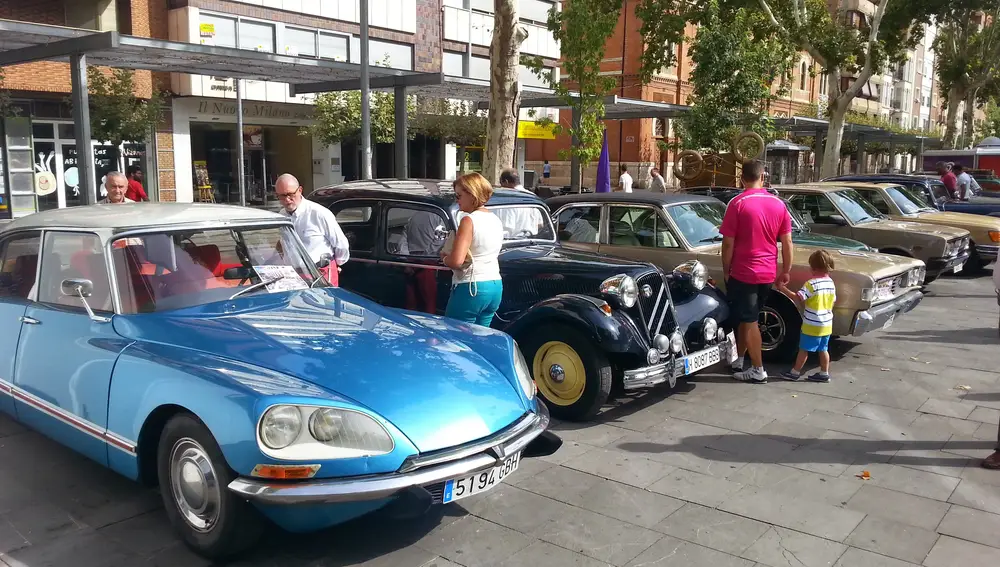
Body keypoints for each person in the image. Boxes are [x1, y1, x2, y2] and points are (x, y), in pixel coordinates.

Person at [720, 159, 794, 384]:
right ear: (764, 177)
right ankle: (740, 358)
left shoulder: (737, 204)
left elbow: (727, 244)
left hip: (744, 272)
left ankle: (758, 369)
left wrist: (726, 270)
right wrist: (786, 270)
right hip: (767, 272)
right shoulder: (779, 205)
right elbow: (788, 242)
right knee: (748, 317)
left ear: (742, 179)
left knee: (749, 319)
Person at [441, 172, 504, 326]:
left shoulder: (468, 220)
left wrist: (444, 258)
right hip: (495, 285)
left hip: (471, 287)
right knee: (481, 338)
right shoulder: (495, 219)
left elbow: (456, 261)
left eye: (459, 196)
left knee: (454, 336)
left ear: (472, 194)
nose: (457, 201)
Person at [275, 173, 349, 287]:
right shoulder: (281, 215)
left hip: (320, 274)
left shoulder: (319, 214)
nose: (287, 199)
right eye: (282, 196)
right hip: (293, 276)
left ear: (300, 190)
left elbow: (341, 245)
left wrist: (336, 264)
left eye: (290, 194)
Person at [776, 249, 837, 383]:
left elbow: (798, 297)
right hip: (826, 323)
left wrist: (782, 288)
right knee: (823, 349)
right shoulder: (830, 282)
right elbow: (833, 301)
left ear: (813, 267)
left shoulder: (811, 284)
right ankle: (824, 373)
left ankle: (795, 372)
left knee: (804, 349)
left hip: (812, 323)